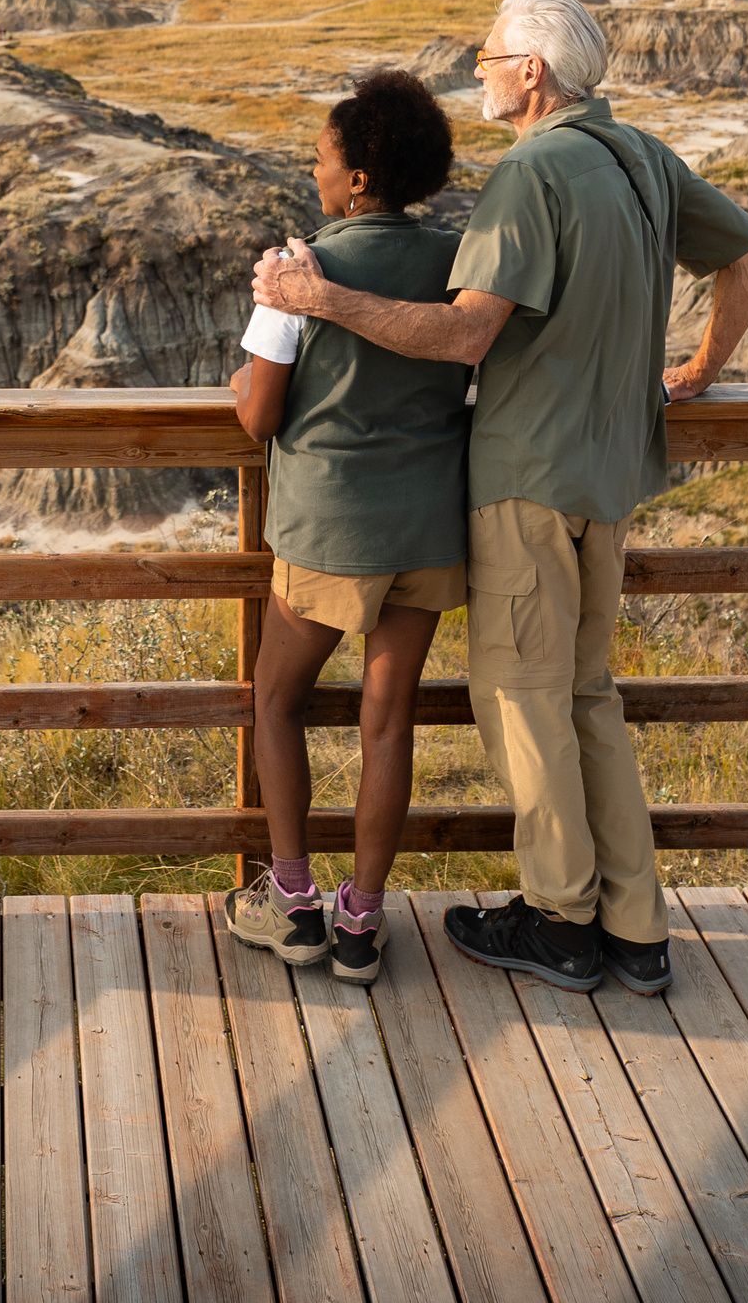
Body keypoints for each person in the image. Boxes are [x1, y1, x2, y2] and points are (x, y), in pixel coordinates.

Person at [253, 0, 748, 994]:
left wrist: (318, 298)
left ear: (532, 72)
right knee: (588, 698)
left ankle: (562, 921)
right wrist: (700, 369)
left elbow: (463, 334)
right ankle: (636, 927)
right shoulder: (643, 157)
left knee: (523, 702)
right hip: (614, 471)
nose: (481, 72)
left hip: (529, 480)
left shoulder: (534, 171)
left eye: (489, 57)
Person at [220, 71, 471, 987]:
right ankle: (362, 924)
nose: (315, 172)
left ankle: (293, 906)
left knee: (277, 699)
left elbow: (260, 419)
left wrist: (243, 381)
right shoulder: (461, 263)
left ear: (360, 178)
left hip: (328, 525)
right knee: (388, 720)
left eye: (324, 158)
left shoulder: (299, 271)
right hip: (428, 525)